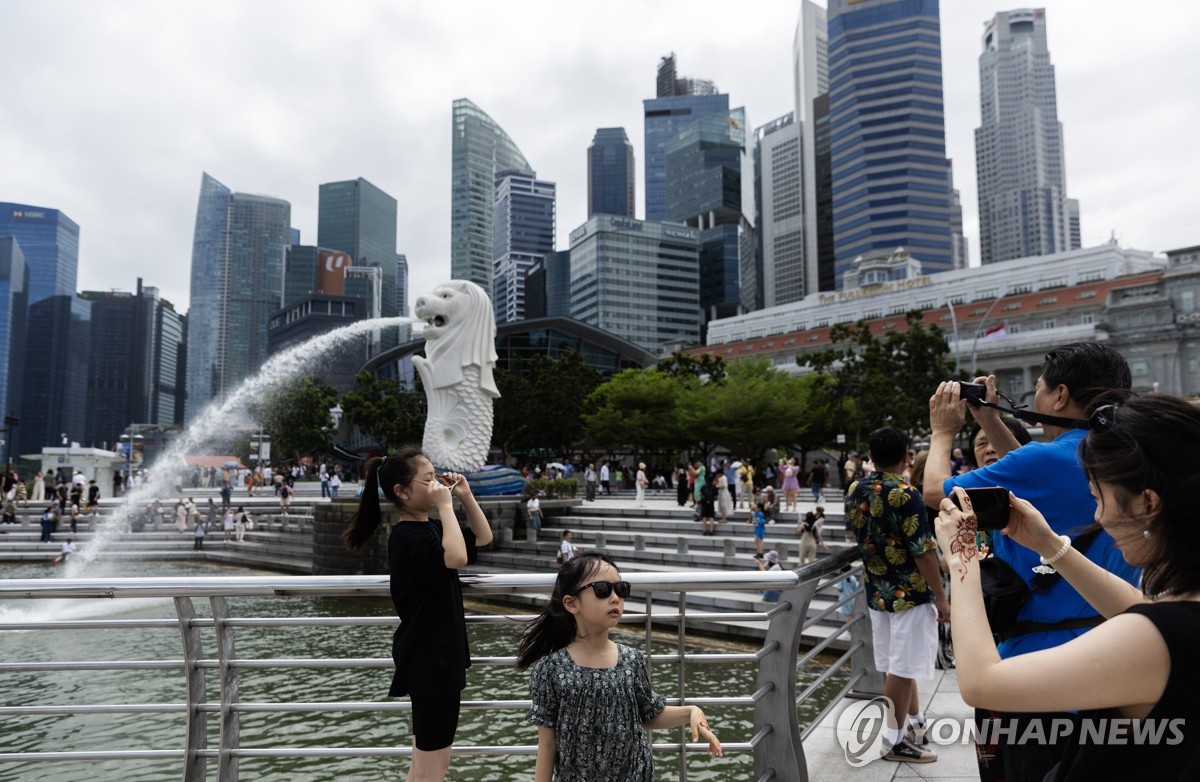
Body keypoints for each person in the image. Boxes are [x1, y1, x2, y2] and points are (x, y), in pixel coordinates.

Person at [934, 394, 1200, 780]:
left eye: (1100, 498)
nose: (1098, 516)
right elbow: (1139, 607)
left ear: (1147, 503)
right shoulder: (1180, 615)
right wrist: (1050, 545)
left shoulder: (1153, 640)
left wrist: (961, 562)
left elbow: (981, 684)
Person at [925, 344, 1140, 781]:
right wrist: (989, 419)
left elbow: (935, 492)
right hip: (1115, 662)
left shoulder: (1047, 459)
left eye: (1038, 388)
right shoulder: (1124, 452)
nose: (1034, 396)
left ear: (1061, 396)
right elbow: (1027, 474)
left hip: (1038, 673)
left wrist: (943, 431)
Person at [342, 449, 492, 782]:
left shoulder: (433, 529)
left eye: (438, 477)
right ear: (401, 491)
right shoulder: (407, 537)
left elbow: (482, 538)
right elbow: (456, 559)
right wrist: (444, 505)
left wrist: (465, 496)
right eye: (428, 479)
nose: (438, 484)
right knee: (432, 769)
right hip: (431, 660)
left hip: (437, 657)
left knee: (424, 764)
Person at [517, 552, 722, 781]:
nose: (615, 598)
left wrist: (690, 712)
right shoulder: (551, 669)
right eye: (603, 589)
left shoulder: (631, 659)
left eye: (621, 589)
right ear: (571, 603)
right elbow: (547, 745)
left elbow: (648, 714)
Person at [845, 426, 949, 763]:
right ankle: (893, 741)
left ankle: (915, 723)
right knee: (902, 670)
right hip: (910, 593)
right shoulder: (907, 494)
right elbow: (922, 552)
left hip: (877, 591)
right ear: (906, 456)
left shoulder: (855, 490)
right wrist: (942, 597)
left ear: (871, 457)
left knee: (898, 665)